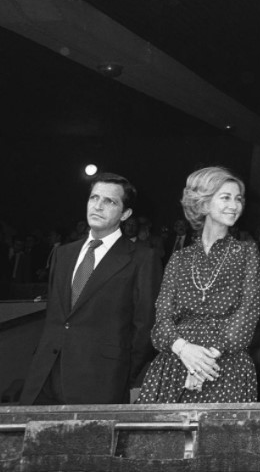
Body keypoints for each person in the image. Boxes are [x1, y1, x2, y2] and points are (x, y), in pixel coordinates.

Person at [19, 173, 162, 405]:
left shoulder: (143, 258)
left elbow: (145, 325)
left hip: (100, 380)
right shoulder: (63, 254)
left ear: (125, 214)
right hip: (44, 375)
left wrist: (121, 374)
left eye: (110, 201)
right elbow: (57, 316)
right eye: (94, 198)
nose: (98, 206)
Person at [137, 167, 260, 403]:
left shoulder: (246, 252)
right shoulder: (179, 258)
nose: (234, 205)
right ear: (203, 203)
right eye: (225, 197)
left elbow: (248, 312)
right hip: (175, 363)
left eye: (238, 199)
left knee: (219, 440)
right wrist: (184, 350)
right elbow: (161, 319)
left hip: (224, 366)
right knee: (163, 439)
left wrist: (205, 360)